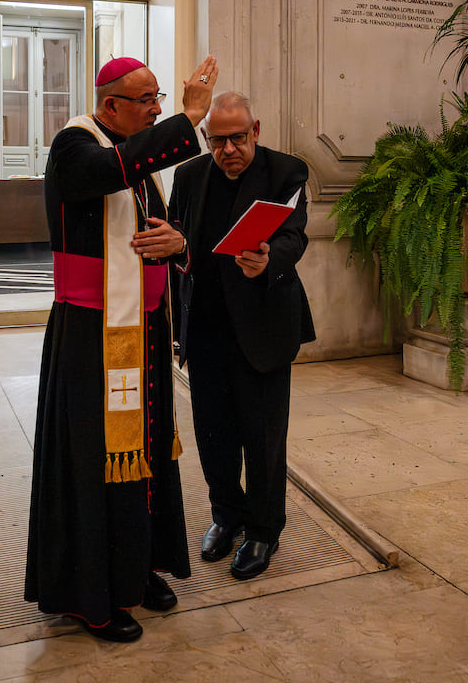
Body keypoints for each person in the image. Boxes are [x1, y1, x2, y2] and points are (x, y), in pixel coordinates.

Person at [24, 54, 218, 643]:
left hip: (146, 331)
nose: (158, 109)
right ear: (111, 105)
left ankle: (138, 570)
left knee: (149, 451)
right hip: (90, 337)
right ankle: (94, 594)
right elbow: (113, 169)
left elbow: (162, 238)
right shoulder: (75, 147)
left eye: (162, 98)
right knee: (97, 459)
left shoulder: (137, 162)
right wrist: (189, 117)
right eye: (148, 99)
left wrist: (176, 242)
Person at [167, 91, 316, 581]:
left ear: (256, 130)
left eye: (237, 138)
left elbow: (295, 235)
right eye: (217, 140)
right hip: (207, 328)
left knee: (264, 436)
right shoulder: (189, 176)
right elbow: (174, 237)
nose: (228, 149)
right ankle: (225, 516)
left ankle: (263, 530)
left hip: (263, 327)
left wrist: (270, 257)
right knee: (213, 435)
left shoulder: (286, 172)